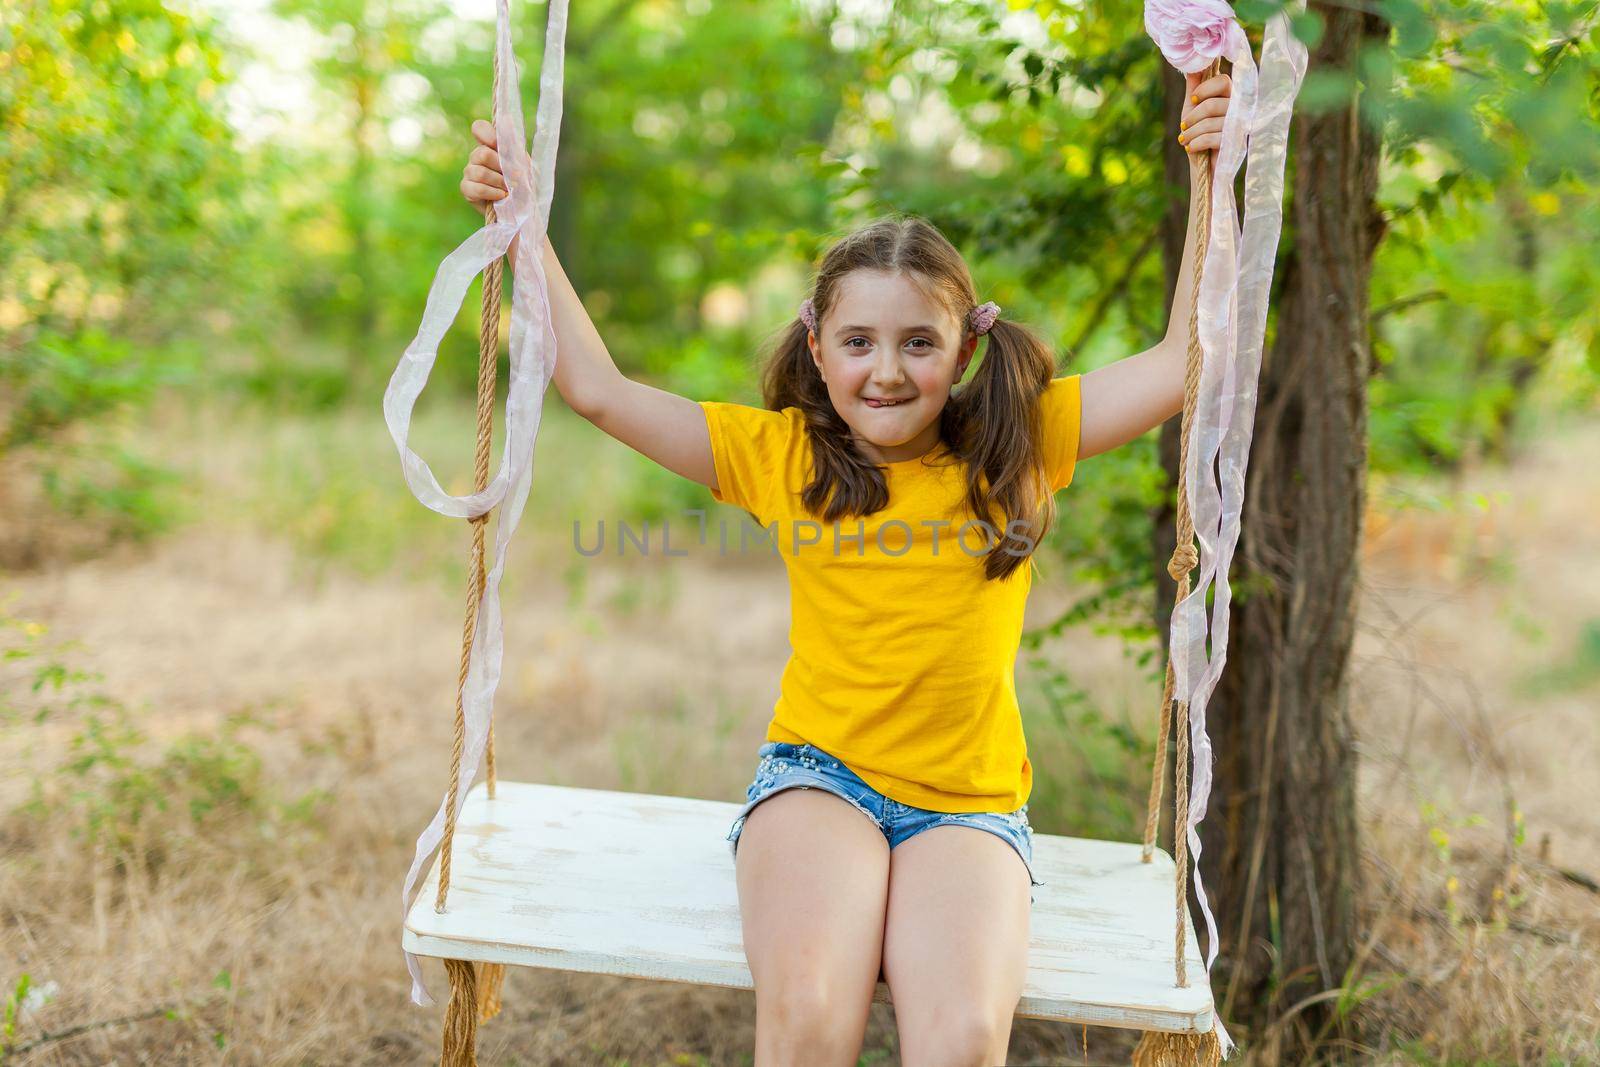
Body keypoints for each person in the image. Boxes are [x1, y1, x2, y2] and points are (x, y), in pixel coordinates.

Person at [459, 67, 1232, 1067]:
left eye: (918, 342)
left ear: (960, 353)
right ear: (816, 347)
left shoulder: (1020, 446)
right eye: (858, 340)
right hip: (819, 780)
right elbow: (599, 390)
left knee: (959, 1041)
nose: (886, 369)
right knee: (812, 1017)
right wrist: (524, 224)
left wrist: (1212, 170)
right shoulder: (782, 455)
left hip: (969, 802)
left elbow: (1187, 358)